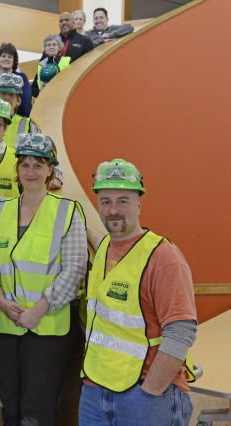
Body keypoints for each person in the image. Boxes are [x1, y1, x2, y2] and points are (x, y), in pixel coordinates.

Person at [0, 133, 88, 426]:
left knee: (37, 408)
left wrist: (38, 309)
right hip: (6, 324)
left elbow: (75, 268)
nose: (30, 171)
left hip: (47, 328)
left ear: (51, 169)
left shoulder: (68, 211)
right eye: (24, 164)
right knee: (10, 403)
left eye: (38, 165)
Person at [79, 159, 197, 425]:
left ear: (139, 204)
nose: (113, 210)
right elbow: (103, 237)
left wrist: (150, 392)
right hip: (95, 390)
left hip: (144, 396)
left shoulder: (163, 257)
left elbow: (181, 331)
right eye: (106, 201)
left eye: (123, 201)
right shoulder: (105, 248)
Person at [0, 42, 33, 117]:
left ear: (14, 62)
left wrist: (25, 119)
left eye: (10, 57)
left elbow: (26, 101)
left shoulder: (21, 77)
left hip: (17, 117)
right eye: (3, 56)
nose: (6, 59)